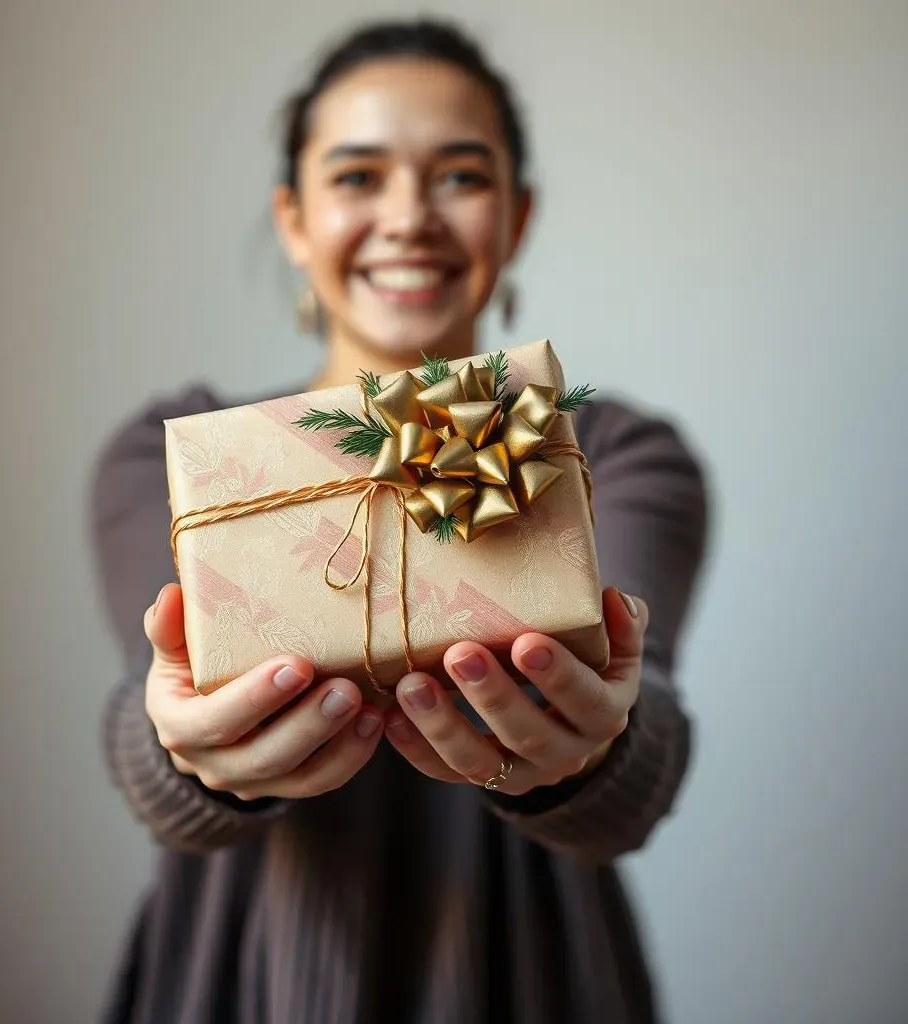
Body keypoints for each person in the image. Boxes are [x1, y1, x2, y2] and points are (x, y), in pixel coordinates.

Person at [90, 17, 708, 1024]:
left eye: (461, 176)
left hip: (530, 973)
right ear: (292, 218)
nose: (409, 216)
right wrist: (178, 748)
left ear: (517, 217)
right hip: (243, 971)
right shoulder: (181, 465)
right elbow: (146, 700)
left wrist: (596, 749)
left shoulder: (611, 453)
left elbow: (645, 728)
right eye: (357, 176)